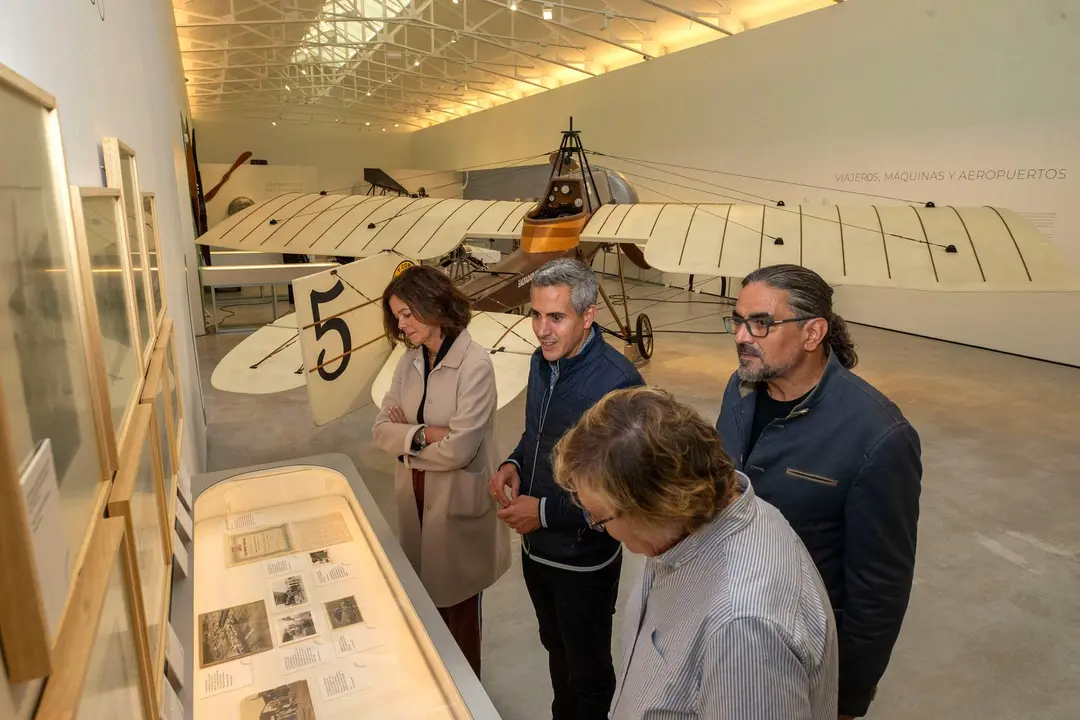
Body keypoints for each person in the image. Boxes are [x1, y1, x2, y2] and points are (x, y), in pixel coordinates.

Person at [553, 386, 838, 720]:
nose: (598, 527)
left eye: (599, 518)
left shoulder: (743, 632)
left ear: (655, 509)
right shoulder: (688, 523)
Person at [714, 264, 922, 719]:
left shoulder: (879, 438)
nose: (741, 336)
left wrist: (846, 697)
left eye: (761, 323)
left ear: (813, 333)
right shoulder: (740, 389)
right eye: (737, 320)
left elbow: (879, 591)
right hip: (727, 620)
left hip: (799, 649)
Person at [487, 257, 644, 720]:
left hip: (583, 561)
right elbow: (537, 432)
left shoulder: (619, 385)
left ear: (588, 315)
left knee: (588, 672)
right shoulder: (544, 361)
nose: (541, 329)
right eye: (535, 315)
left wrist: (545, 513)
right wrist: (515, 462)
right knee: (556, 651)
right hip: (538, 552)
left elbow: (625, 495)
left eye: (555, 317)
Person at [372, 265, 510, 676]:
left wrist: (407, 443)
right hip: (414, 498)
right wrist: (427, 434)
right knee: (424, 607)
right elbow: (382, 430)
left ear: (434, 304)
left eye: (408, 313)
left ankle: (466, 696)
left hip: (457, 507)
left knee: (460, 614)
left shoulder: (476, 365)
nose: (402, 323)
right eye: (397, 316)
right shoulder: (408, 360)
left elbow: (461, 450)